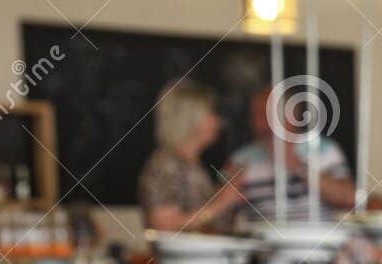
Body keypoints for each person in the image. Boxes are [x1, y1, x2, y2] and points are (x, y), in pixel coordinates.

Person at [228, 85, 356, 224]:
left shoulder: (325, 149)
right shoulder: (241, 158)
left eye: (265, 116)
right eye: (254, 116)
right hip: (262, 243)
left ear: (291, 116)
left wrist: (299, 167)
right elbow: (224, 211)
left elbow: (349, 199)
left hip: (319, 240)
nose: (257, 123)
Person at [139, 80, 243, 233]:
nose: (218, 121)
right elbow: (164, 226)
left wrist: (224, 188)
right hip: (182, 257)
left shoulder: (190, 164)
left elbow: (198, 214)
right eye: (211, 113)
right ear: (191, 118)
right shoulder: (166, 165)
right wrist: (222, 203)